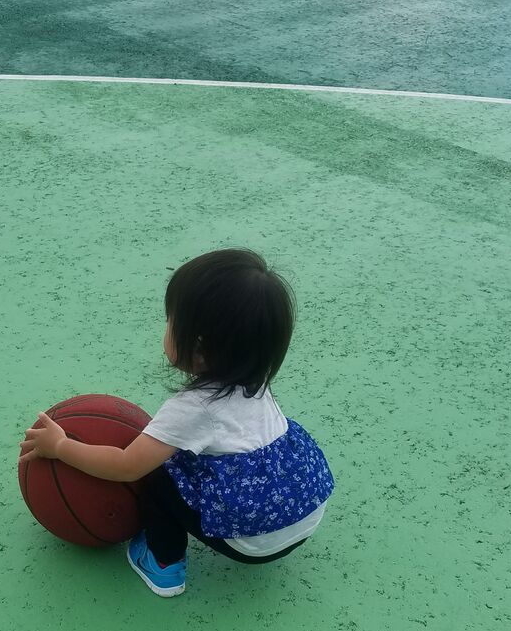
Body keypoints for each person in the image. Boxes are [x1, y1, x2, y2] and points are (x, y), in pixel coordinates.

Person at [19, 248, 334, 597]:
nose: (166, 327)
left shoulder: (193, 408)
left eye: (170, 320)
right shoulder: (255, 380)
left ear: (198, 347)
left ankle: (163, 565)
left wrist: (60, 446)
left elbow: (126, 466)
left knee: (159, 476)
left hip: (253, 545)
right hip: (306, 512)